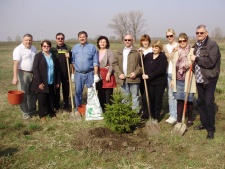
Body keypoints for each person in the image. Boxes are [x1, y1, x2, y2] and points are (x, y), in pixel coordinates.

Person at [190, 25, 221, 139]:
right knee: (201, 102)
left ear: (206, 33)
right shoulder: (196, 46)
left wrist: (196, 59)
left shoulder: (212, 45)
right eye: (197, 33)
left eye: (201, 33)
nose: (199, 35)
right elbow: (189, 54)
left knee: (208, 102)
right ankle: (204, 123)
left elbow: (211, 62)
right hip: (199, 78)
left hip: (209, 79)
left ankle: (211, 129)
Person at [170, 33, 196, 127]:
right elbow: (174, 67)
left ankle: (189, 119)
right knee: (180, 99)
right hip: (179, 79)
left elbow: (192, 63)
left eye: (184, 40)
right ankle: (179, 120)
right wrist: (173, 80)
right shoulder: (176, 53)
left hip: (189, 79)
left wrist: (190, 62)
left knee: (189, 99)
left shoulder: (192, 51)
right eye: (180, 41)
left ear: (187, 40)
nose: (182, 42)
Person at [31, 40, 60, 121]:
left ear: (50, 47)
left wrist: (57, 82)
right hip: (42, 82)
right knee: (42, 99)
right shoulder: (38, 56)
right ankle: (42, 115)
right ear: (41, 47)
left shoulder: (53, 56)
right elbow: (35, 69)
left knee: (51, 97)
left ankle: (51, 112)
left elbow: (57, 70)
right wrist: (39, 82)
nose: (46, 48)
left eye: (47, 46)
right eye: (44, 46)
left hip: (51, 81)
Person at [72, 31, 100, 113]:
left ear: (86, 37)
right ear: (78, 38)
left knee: (91, 92)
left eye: (83, 37)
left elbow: (95, 62)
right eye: (80, 37)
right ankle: (78, 109)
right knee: (78, 92)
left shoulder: (92, 47)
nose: (82, 38)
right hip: (78, 74)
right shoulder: (75, 47)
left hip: (89, 73)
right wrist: (72, 73)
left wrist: (95, 74)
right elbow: (72, 61)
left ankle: (91, 109)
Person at [112, 34, 142, 112]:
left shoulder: (137, 51)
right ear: (123, 41)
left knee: (135, 97)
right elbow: (114, 64)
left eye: (129, 40)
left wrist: (135, 73)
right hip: (123, 78)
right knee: (125, 97)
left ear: (133, 41)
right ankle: (126, 115)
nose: (127, 41)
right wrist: (119, 74)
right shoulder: (119, 51)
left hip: (134, 79)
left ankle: (135, 115)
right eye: (126, 40)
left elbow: (141, 65)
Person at [12, 34, 37, 120]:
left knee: (33, 93)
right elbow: (15, 64)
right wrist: (15, 77)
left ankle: (32, 111)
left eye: (30, 40)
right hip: (23, 74)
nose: (28, 42)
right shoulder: (18, 49)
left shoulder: (33, 48)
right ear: (23, 40)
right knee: (23, 95)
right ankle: (25, 115)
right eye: (26, 40)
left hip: (33, 74)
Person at [142, 40, 167, 122]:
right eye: (153, 47)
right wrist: (141, 53)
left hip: (159, 82)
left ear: (160, 48)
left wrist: (149, 76)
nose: (154, 49)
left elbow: (161, 70)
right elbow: (142, 63)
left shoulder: (162, 57)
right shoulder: (148, 56)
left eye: (156, 47)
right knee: (150, 99)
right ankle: (151, 115)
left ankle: (156, 117)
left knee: (157, 100)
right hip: (149, 82)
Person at [50, 33, 72, 112]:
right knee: (57, 90)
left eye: (62, 38)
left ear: (64, 39)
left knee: (66, 90)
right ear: (56, 39)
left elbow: (72, 61)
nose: (60, 40)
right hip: (56, 74)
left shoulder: (68, 48)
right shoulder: (52, 49)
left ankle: (66, 105)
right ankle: (57, 105)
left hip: (66, 73)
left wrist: (69, 55)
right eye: (58, 38)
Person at [96, 36, 116, 112]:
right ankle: (102, 109)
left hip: (107, 74)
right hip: (99, 74)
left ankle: (109, 110)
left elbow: (112, 64)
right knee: (100, 93)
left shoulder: (109, 52)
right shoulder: (96, 52)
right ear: (98, 43)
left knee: (108, 94)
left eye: (104, 42)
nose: (102, 43)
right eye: (101, 42)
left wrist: (108, 74)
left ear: (107, 43)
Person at [163, 28, 178, 124]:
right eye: (167, 36)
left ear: (174, 35)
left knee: (174, 94)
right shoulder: (164, 47)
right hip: (166, 72)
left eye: (171, 35)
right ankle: (172, 112)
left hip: (175, 73)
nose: (169, 37)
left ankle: (174, 115)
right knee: (169, 94)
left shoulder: (179, 45)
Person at [138, 34, 153, 119]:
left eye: (146, 41)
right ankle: (145, 111)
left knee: (149, 94)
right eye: (143, 41)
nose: (145, 42)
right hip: (142, 76)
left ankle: (151, 111)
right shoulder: (140, 51)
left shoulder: (152, 50)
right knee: (143, 94)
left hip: (149, 75)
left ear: (149, 41)